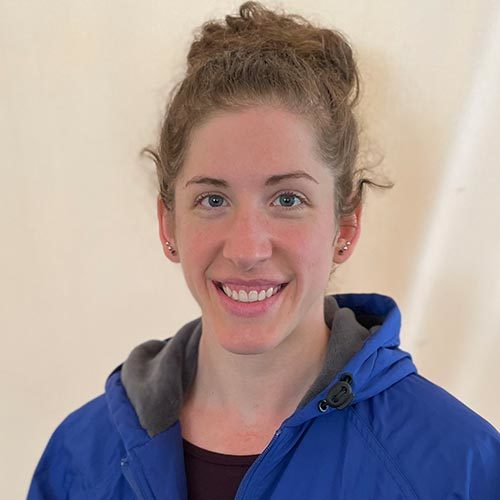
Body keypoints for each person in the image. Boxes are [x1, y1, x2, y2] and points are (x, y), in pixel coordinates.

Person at [28, 2, 499, 499]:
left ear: (346, 223)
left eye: (287, 199)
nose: (247, 249)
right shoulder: (80, 460)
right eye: (213, 200)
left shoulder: (460, 469)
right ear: (169, 223)